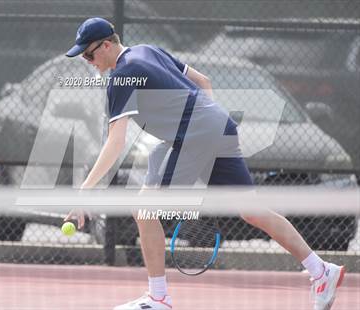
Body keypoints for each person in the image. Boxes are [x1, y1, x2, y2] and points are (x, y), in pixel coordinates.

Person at [64, 17, 345, 310]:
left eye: (89, 54)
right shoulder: (151, 50)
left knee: (143, 209)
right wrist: (202, 126)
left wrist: (84, 191)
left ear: (106, 45)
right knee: (252, 210)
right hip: (219, 123)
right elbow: (203, 82)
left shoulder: (122, 76)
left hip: (197, 134)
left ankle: (158, 298)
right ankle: (321, 270)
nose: (88, 61)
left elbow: (116, 142)